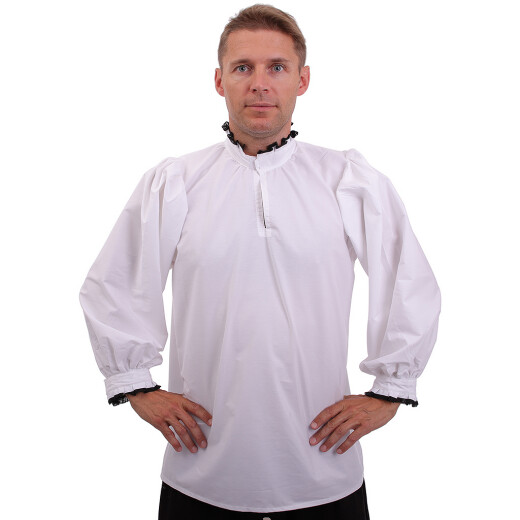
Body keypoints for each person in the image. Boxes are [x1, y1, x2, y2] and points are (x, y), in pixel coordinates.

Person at [79, 4, 441, 519]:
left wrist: (391, 390)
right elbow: (115, 282)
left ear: (302, 79)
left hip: (323, 471)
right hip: (201, 473)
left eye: (277, 67)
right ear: (220, 80)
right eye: (243, 67)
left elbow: (409, 278)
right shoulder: (175, 182)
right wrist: (133, 383)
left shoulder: (347, 181)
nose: (260, 84)